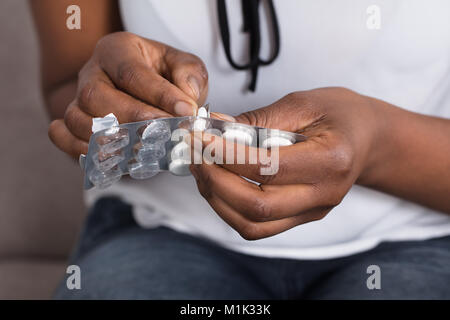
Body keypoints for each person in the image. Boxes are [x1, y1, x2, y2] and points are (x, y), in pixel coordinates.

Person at [30, 0, 450, 299]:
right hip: (163, 230)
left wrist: (377, 144)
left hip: (412, 238)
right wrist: (110, 111)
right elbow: (68, 89)